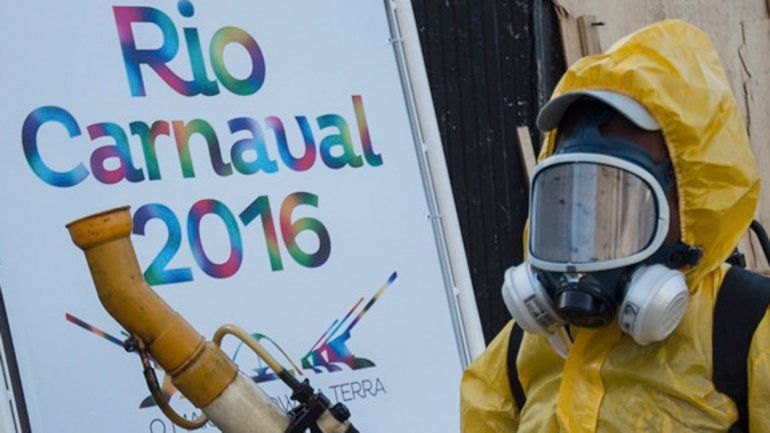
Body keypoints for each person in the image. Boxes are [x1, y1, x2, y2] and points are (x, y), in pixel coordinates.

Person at [460, 19, 770, 432]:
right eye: (572, 201)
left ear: (693, 197)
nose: (589, 232)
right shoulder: (520, 350)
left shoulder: (747, 330)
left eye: (622, 204)